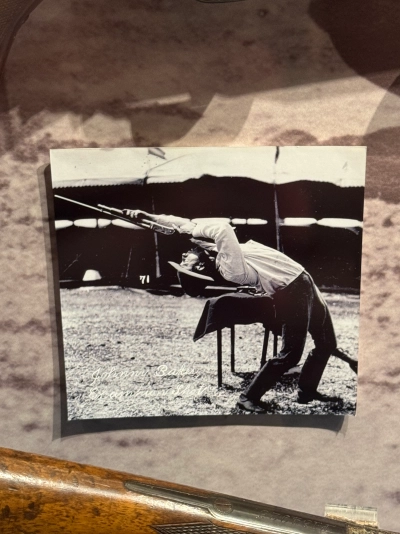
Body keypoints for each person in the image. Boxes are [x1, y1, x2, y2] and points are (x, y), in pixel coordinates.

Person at [124, 209, 353, 414]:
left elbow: (179, 223)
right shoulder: (231, 268)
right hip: (292, 291)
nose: (183, 257)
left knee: (326, 343)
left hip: (304, 280)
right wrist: (196, 229)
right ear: (201, 267)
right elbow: (222, 228)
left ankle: (306, 392)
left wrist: (145, 216)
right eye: (186, 263)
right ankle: (247, 398)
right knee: (291, 354)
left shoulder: (213, 249)